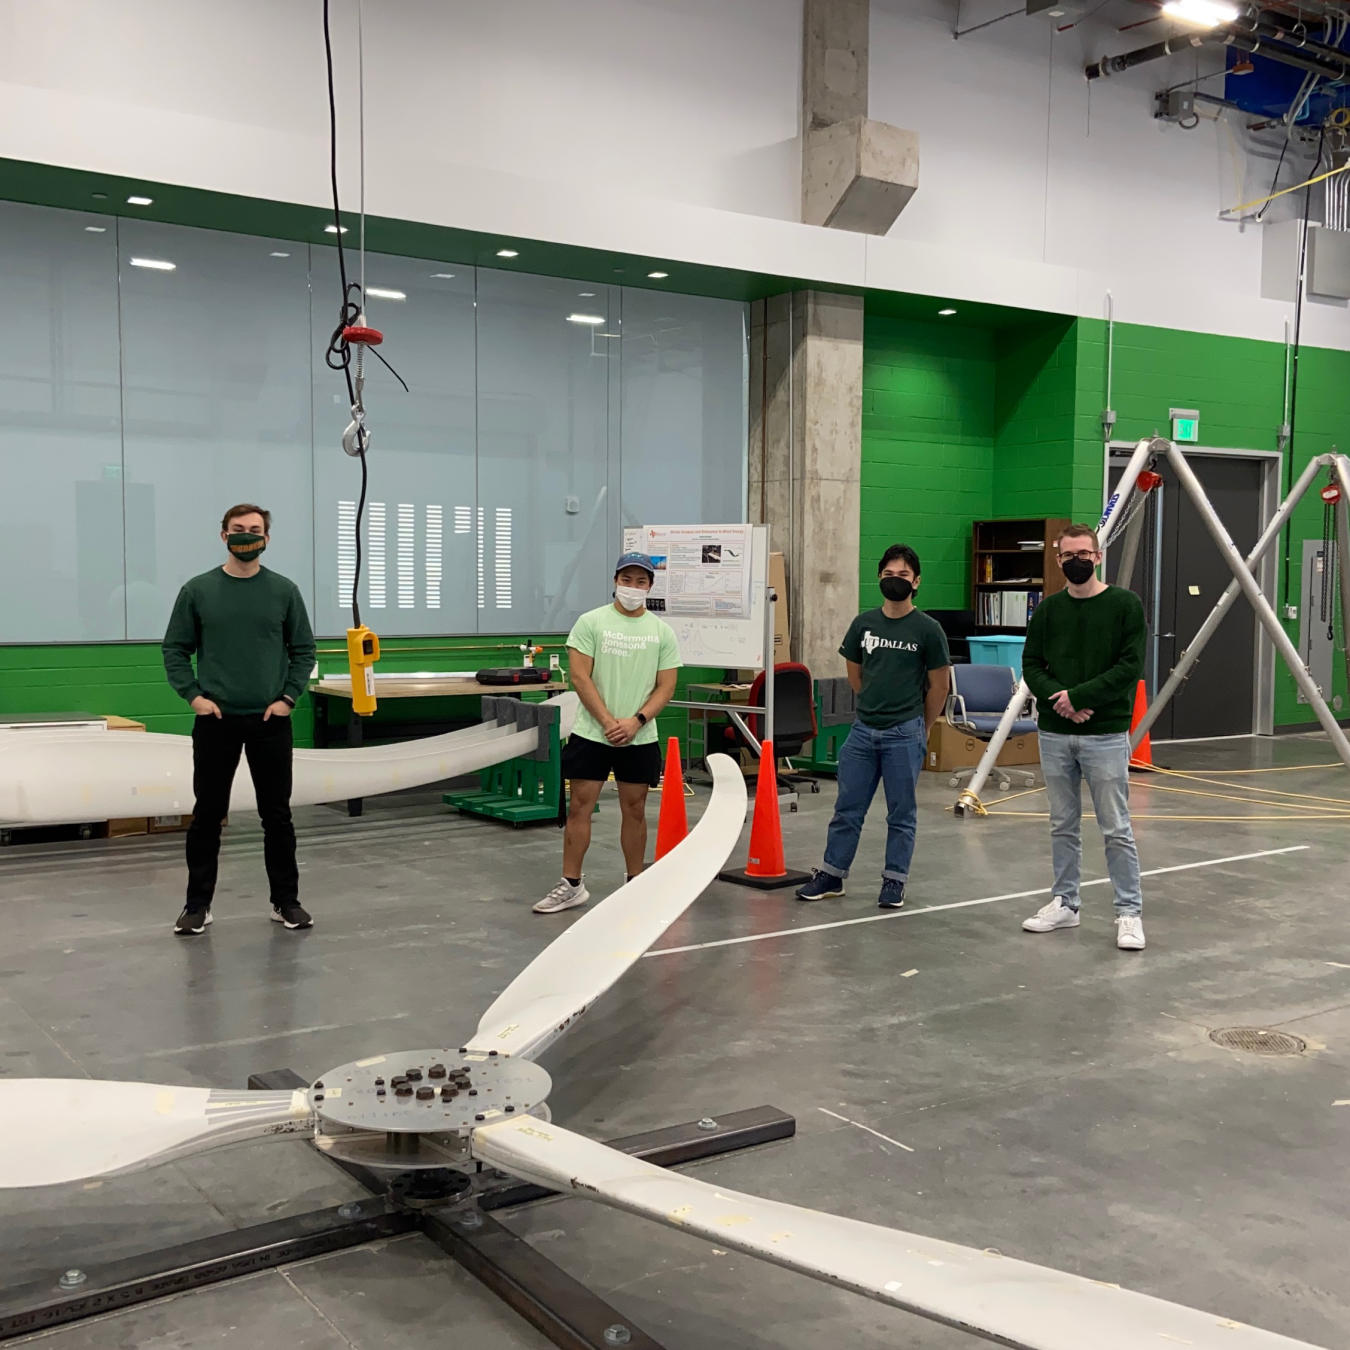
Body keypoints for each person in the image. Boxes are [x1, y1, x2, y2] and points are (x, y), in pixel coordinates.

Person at [163, 504, 317, 936]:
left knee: (277, 817)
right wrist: (193, 696)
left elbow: (304, 651)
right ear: (222, 535)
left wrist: (288, 697)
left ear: (267, 538)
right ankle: (197, 905)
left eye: (254, 530)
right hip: (216, 720)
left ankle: (285, 901)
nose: (245, 536)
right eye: (237, 530)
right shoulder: (198, 590)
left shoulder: (284, 591)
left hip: (271, 720)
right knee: (207, 815)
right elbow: (175, 650)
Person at [796, 544, 951, 909]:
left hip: (905, 731)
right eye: (888, 575)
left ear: (916, 582)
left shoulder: (928, 629)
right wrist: (870, 702)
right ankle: (832, 875)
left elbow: (939, 685)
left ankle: (894, 881)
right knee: (847, 809)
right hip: (863, 732)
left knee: (901, 812)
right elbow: (854, 669)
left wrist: (922, 726)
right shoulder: (864, 623)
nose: (895, 581)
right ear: (878, 578)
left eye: (903, 576)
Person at [1019, 523, 1148, 951]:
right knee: (1062, 824)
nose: (1075, 560)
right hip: (1054, 735)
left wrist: (1078, 696)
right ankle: (1065, 903)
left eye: (1082, 553)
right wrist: (1061, 702)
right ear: (1058, 561)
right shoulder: (1049, 611)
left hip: (1105, 736)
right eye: (1066, 555)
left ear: (1097, 556)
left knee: (1116, 828)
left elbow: (1128, 666)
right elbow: (1032, 663)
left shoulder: (1125, 605)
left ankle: (1129, 913)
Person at [534, 553, 681, 914]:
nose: (633, 587)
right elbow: (580, 676)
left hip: (640, 736)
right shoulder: (591, 623)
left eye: (640, 581)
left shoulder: (661, 632)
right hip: (591, 733)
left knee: (635, 808)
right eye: (627, 579)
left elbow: (666, 686)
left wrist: (636, 721)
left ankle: (635, 882)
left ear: (650, 586)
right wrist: (606, 721)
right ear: (616, 580)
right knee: (580, 807)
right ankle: (571, 884)